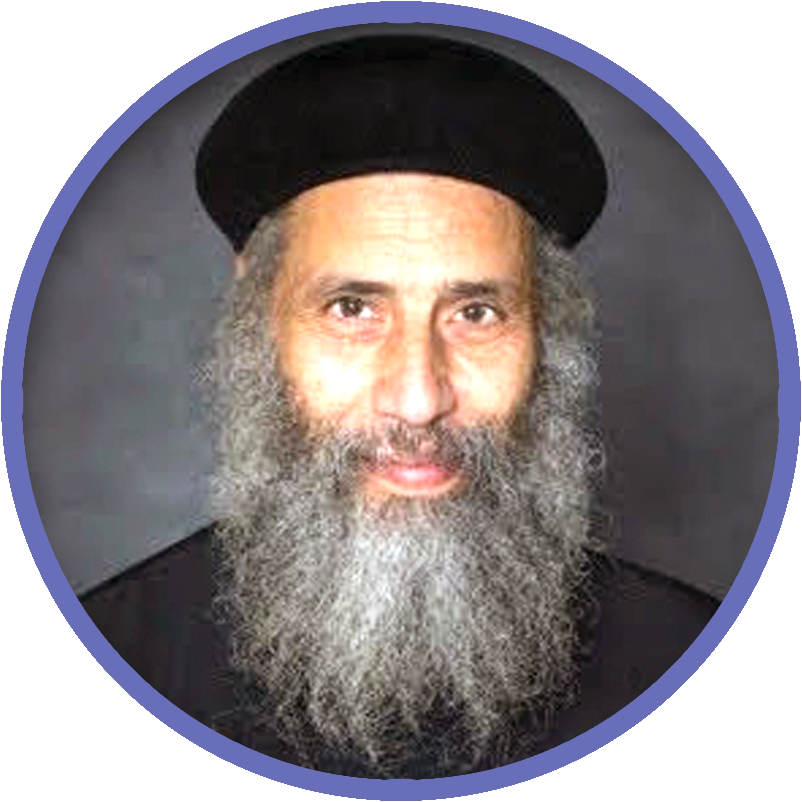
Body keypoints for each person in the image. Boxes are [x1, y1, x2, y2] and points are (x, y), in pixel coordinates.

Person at [81, 34, 719, 779]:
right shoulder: (112, 652)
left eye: (476, 314)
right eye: (352, 308)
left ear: (546, 333)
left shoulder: (689, 658)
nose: (418, 401)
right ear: (261, 316)